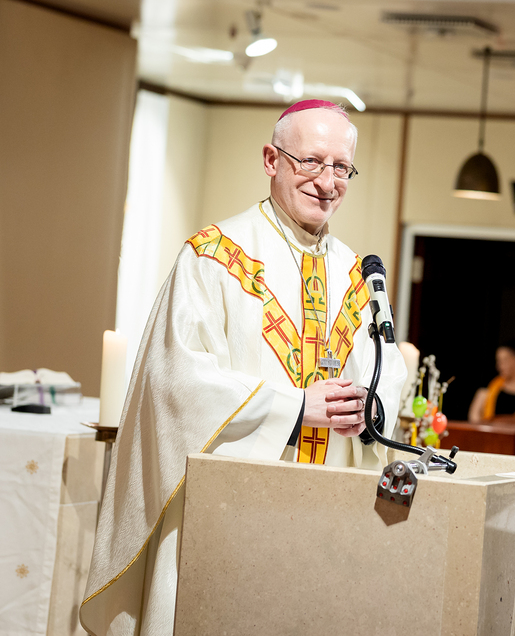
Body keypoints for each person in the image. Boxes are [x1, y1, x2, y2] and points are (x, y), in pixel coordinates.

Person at [80, 100, 407, 636]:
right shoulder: (212, 257)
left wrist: (369, 410)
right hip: (228, 510)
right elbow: (175, 381)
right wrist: (295, 407)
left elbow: (386, 370)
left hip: (329, 515)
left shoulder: (356, 272)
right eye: (311, 161)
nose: (327, 182)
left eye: (341, 167)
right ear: (271, 160)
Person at [467, 338, 515, 422]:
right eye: (498, 361)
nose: (499, 366)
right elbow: (474, 420)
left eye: (504, 360)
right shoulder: (488, 389)